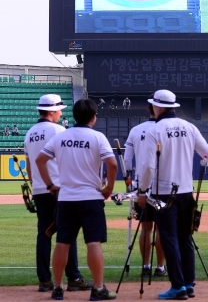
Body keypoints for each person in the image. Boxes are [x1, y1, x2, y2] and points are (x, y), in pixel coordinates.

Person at [136, 89, 208, 300]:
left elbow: (147, 167)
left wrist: (141, 191)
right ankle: (188, 282)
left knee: (168, 239)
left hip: (162, 193)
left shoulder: (154, 131)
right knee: (185, 238)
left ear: (156, 107)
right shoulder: (189, 127)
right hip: (186, 192)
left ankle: (178, 286)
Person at [35, 98, 118, 301]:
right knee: (93, 242)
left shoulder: (61, 137)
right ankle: (98, 288)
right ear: (93, 117)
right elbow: (112, 164)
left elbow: (40, 160)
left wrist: (49, 185)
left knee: (62, 243)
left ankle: (57, 287)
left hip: (66, 198)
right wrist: (109, 188)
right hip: (91, 198)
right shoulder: (98, 137)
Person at [24, 94, 92, 293]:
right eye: (60, 109)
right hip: (59, 189)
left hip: (39, 188)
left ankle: (44, 280)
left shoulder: (30, 133)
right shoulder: (60, 130)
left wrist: (37, 183)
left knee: (43, 234)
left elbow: (30, 166)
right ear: (52, 111)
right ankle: (74, 277)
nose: (61, 112)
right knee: (67, 232)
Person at [123, 95, 166, 278]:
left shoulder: (136, 130)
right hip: (164, 185)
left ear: (148, 109)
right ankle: (160, 268)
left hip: (142, 186)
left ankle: (146, 266)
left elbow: (126, 160)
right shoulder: (167, 129)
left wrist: (129, 180)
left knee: (145, 228)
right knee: (162, 228)